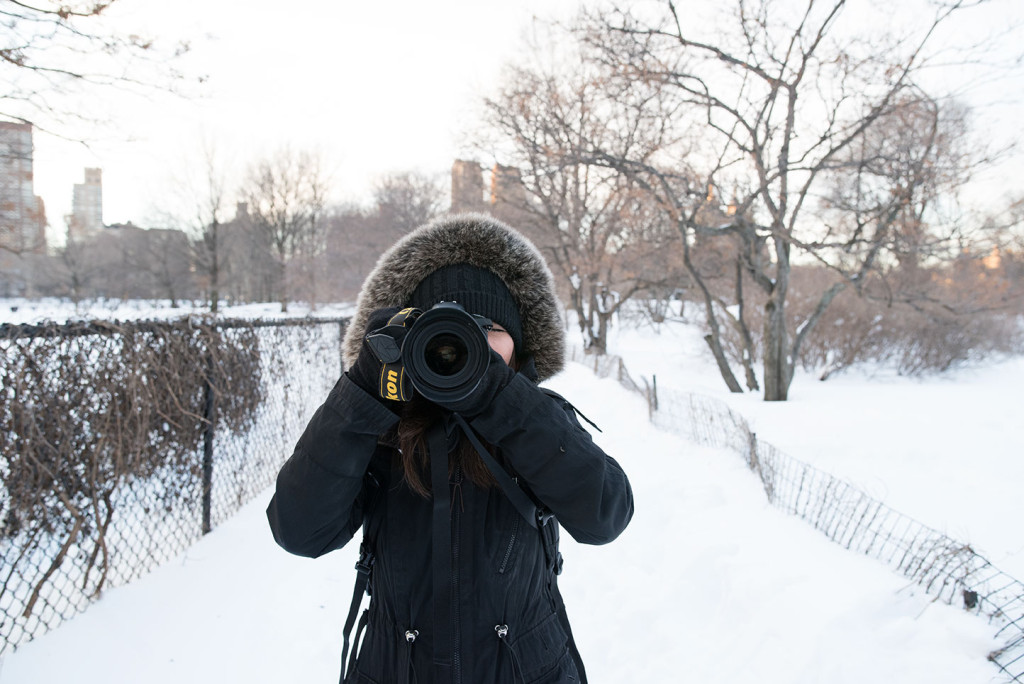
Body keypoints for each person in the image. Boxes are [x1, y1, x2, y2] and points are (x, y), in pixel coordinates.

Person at [267, 213, 634, 684]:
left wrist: (504, 400)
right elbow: (299, 532)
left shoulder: (539, 421)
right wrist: (360, 392)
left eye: (490, 328)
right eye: (446, 331)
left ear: (519, 348)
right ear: (413, 343)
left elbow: (605, 515)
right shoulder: (380, 430)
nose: (468, 347)